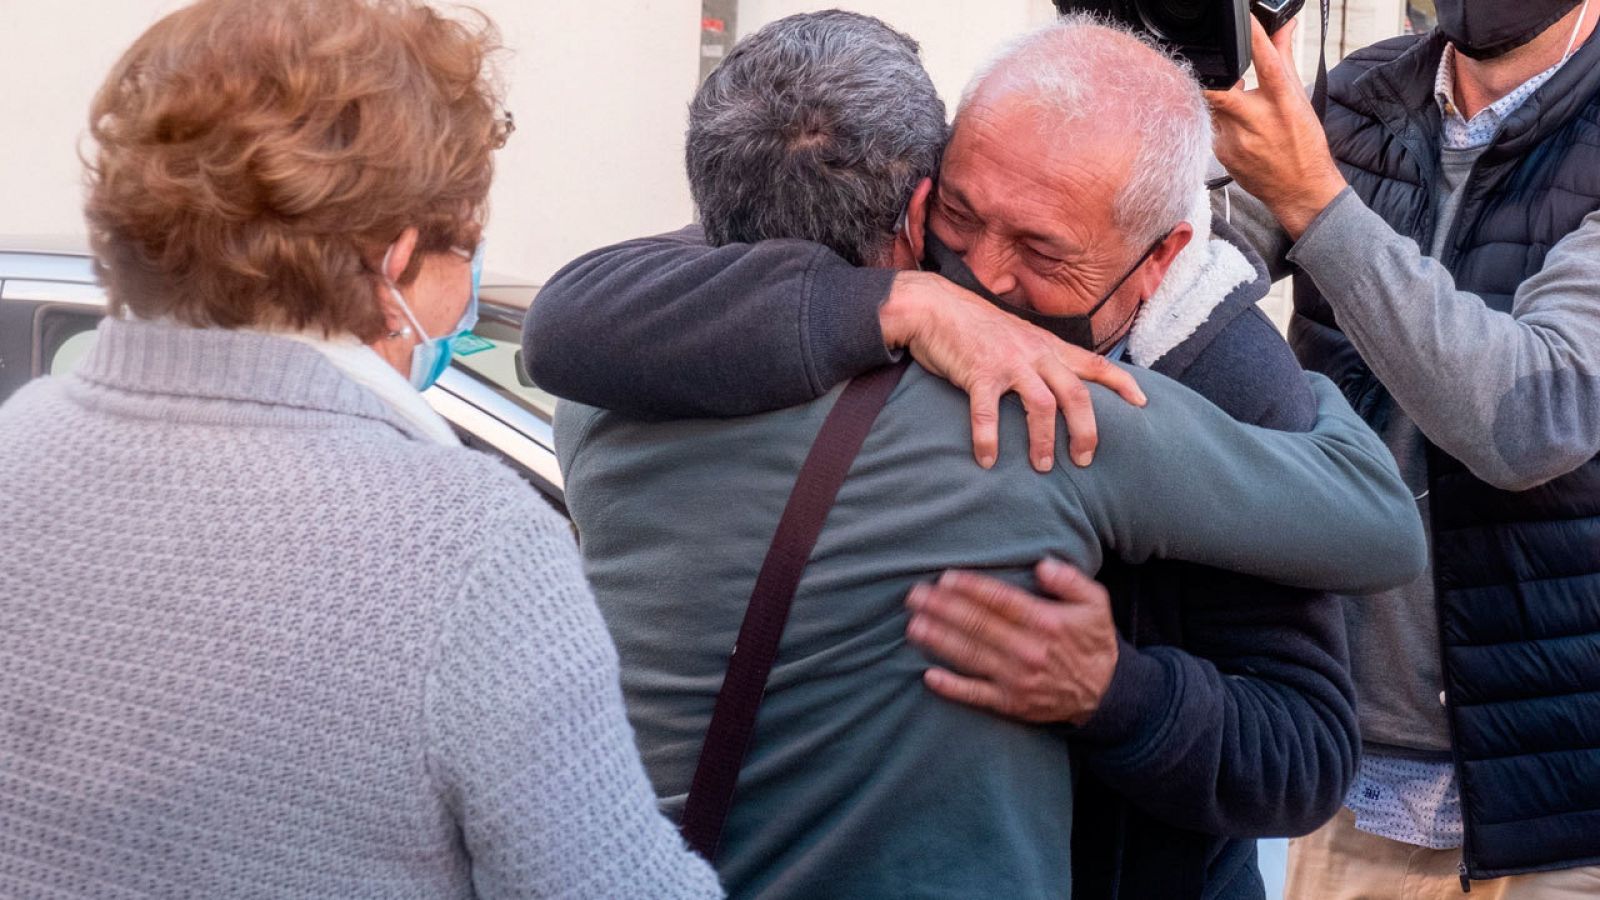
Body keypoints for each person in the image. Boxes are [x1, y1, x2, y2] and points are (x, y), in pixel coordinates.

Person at [539, 12, 1426, 897]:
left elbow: (1304, 755)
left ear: (1161, 259)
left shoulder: (1174, 387)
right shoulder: (1035, 414)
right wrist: (904, 305)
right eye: (960, 218)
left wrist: (1119, 693)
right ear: (920, 197)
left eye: (1044, 249)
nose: (990, 280)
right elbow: (1374, 520)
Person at [0, 1, 721, 897]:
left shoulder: (15, 450)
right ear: (397, 262)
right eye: (467, 246)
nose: (471, 284)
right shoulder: (470, 546)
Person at [1205, 3, 1600, 894]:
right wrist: (1200, 111)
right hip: (1359, 768)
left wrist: (1315, 199)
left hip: (1566, 779)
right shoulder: (1355, 100)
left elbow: (1537, 416)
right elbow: (1184, 286)